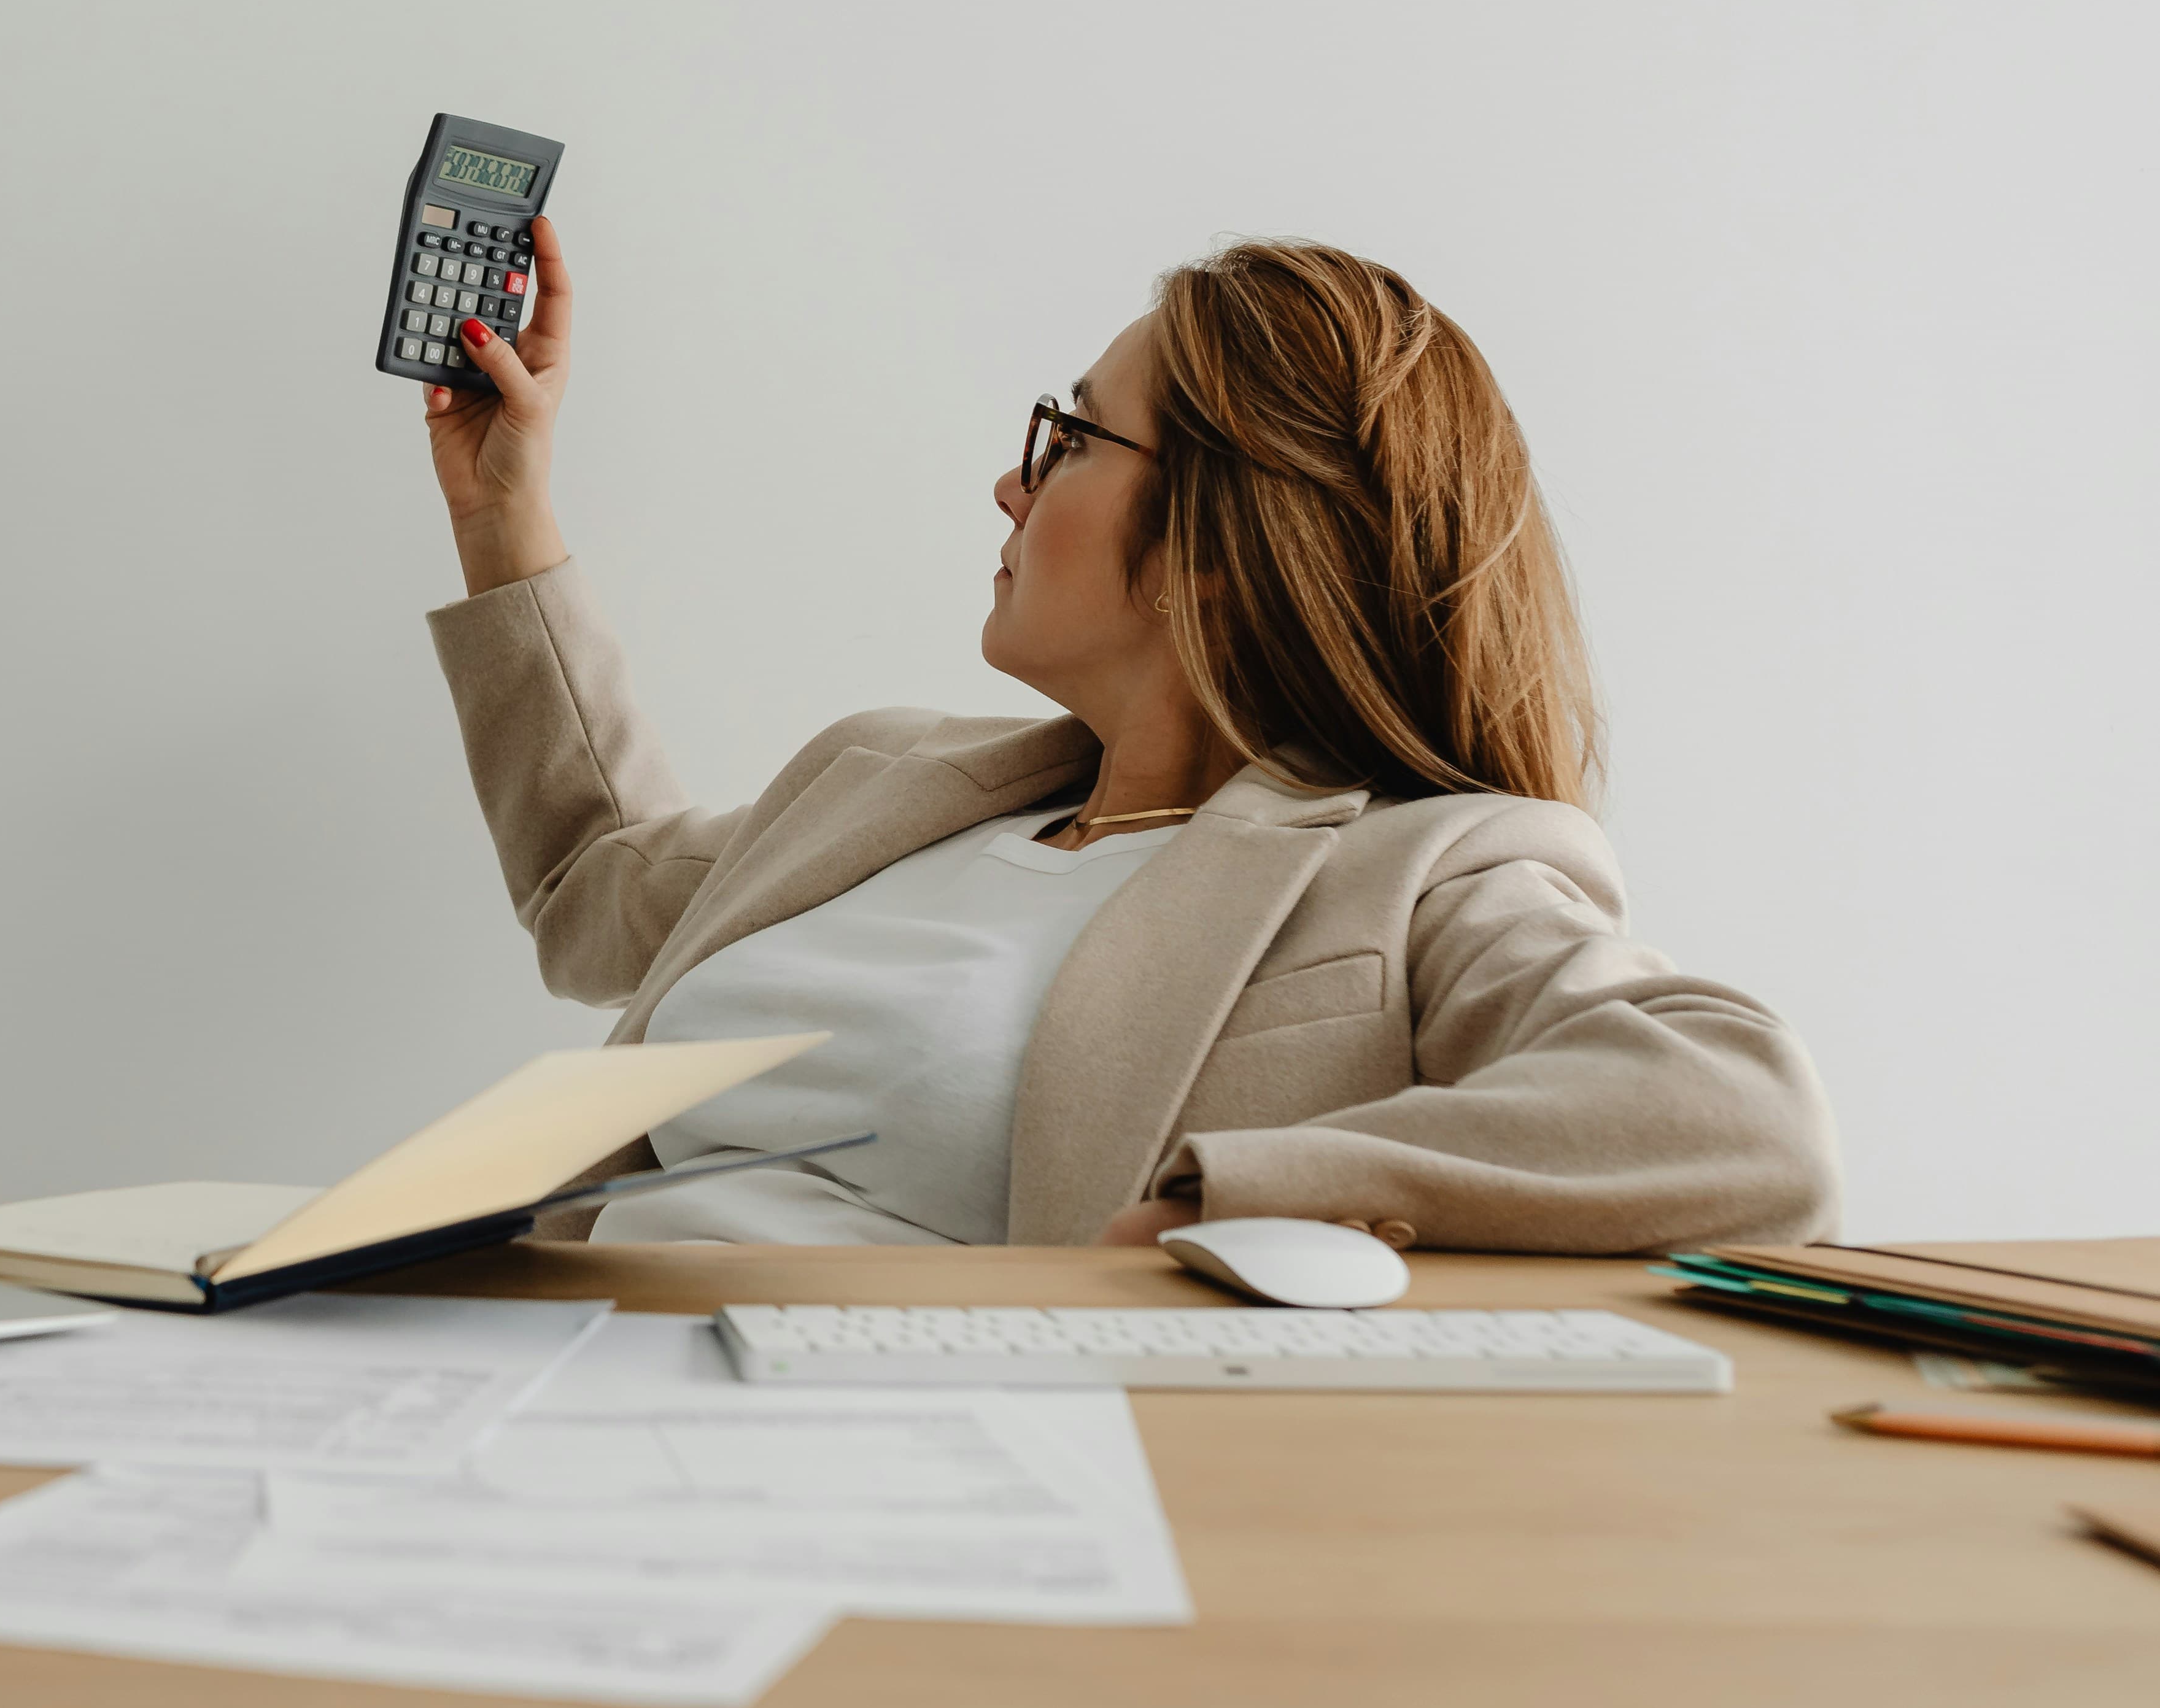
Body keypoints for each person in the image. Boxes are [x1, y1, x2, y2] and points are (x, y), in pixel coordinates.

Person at [420, 227, 1836, 1252]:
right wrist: (503, 510)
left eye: (1070, 439)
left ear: (1218, 541)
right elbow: (590, 891)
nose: (1007, 482)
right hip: (529, 1360)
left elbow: (1726, 1117)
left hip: (881, 1455)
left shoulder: (1421, 873)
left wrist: (1232, 1200)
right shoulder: (889, 783)